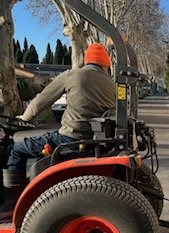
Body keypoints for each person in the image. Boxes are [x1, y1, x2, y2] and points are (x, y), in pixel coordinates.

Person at [0, 43, 116, 219]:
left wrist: (24, 118)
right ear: (106, 65)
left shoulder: (73, 75)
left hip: (68, 138)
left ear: (87, 61)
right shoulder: (111, 85)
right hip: (94, 139)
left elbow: (41, 101)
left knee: (15, 149)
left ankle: (12, 203)